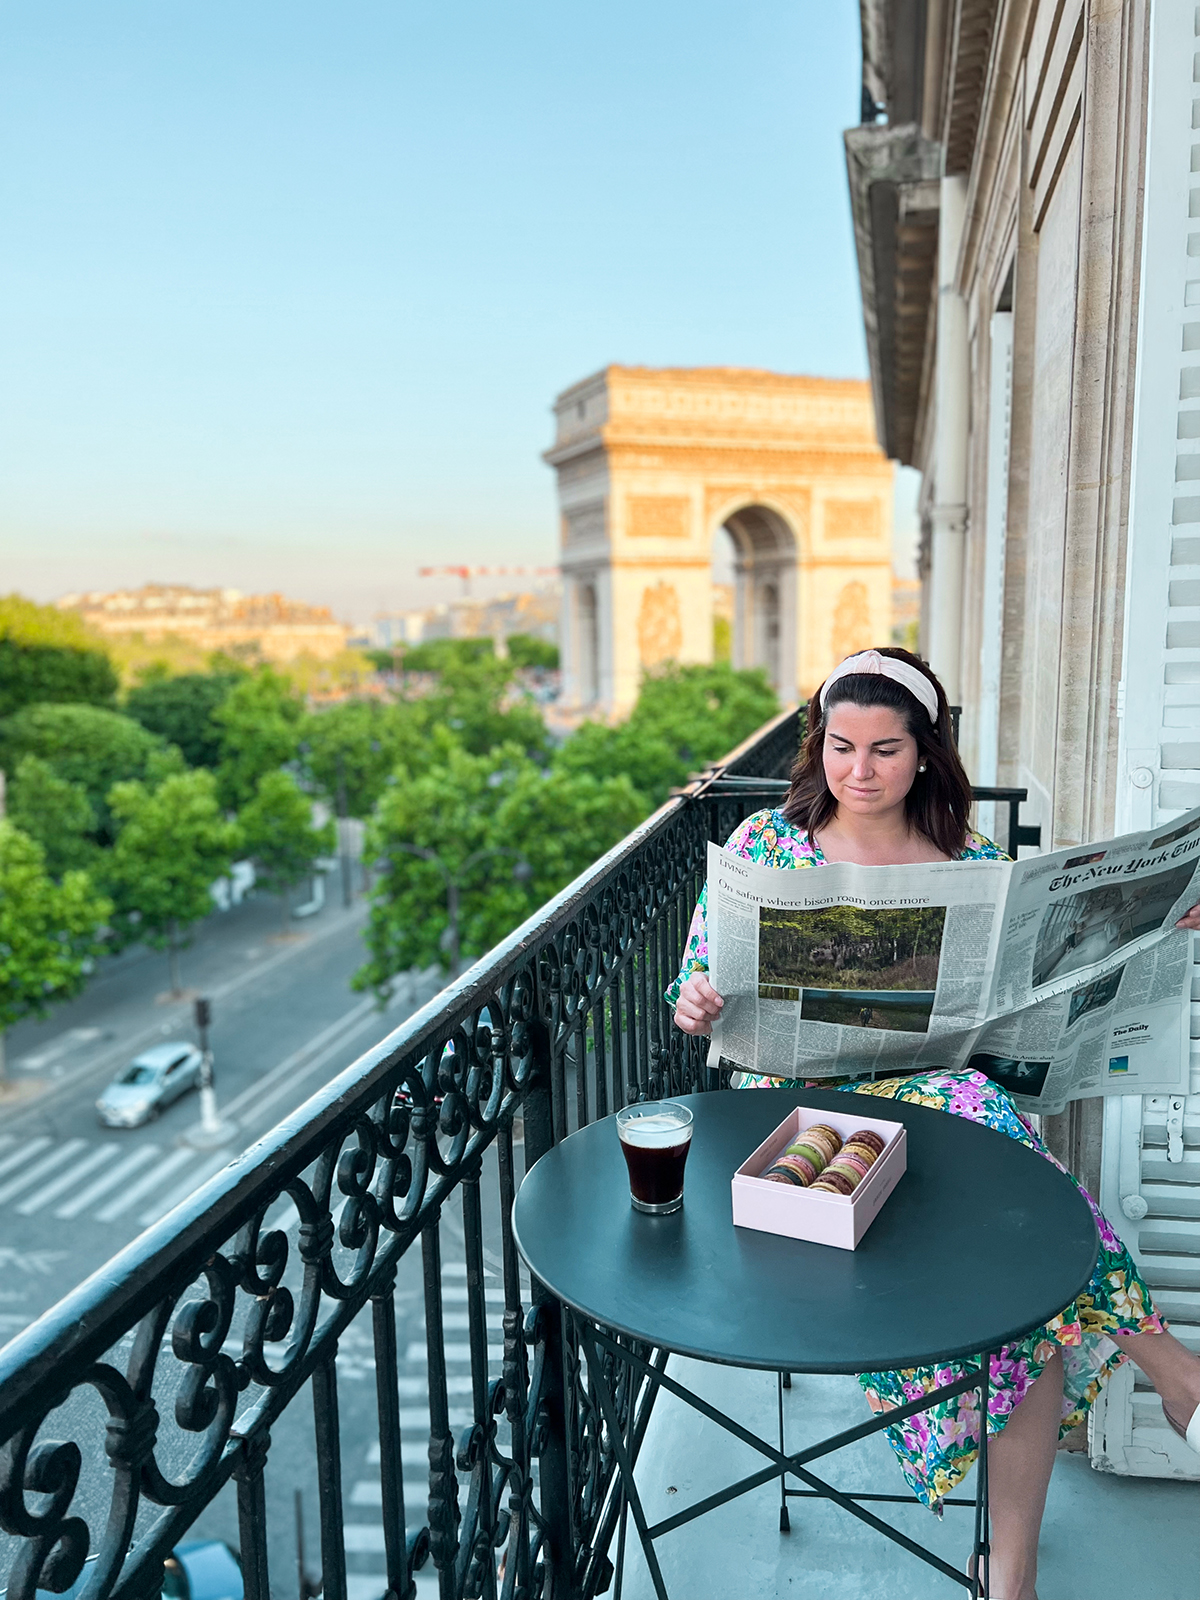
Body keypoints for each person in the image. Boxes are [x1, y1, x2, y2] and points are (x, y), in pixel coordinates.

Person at [667, 646, 1200, 1600]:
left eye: (883, 750)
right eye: (840, 747)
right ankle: (1169, 1364)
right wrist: (698, 1001)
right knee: (1010, 1235)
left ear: (926, 755)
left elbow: (1042, 991)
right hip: (796, 1111)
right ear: (816, 747)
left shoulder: (973, 866)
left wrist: (1160, 931)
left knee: (1016, 1248)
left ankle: (1013, 1577)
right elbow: (693, 985)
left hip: (930, 1092)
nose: (858, 772)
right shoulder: (762, 846)